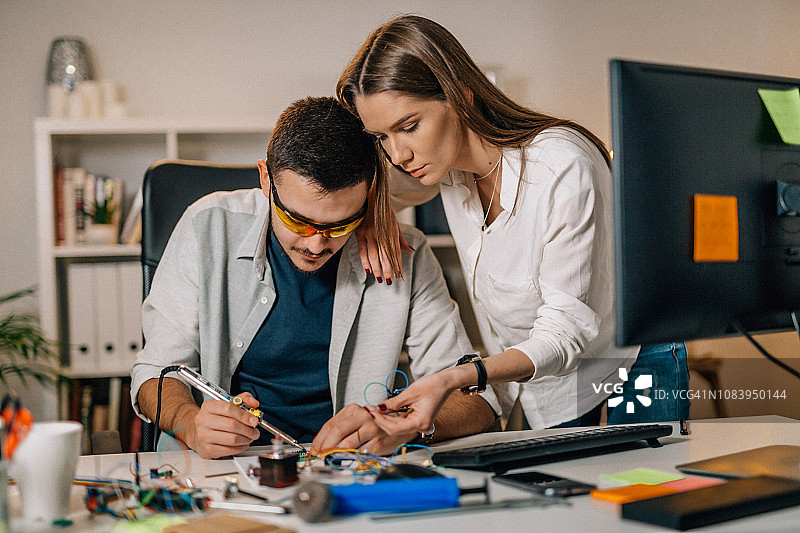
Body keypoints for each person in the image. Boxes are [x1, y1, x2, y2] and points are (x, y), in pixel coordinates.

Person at [336, 15, 690, 435]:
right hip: (546, 377)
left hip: (632, 359)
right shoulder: (440, 168)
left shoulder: (561, 166)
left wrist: (454, 377)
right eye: (381, 137)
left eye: (408, 127)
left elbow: (564, 331)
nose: (397, 155)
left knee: (643, 491)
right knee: (567, 494)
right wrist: (370, 216)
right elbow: (357, 189)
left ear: (460, 95)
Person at [131, 96, 498, 459]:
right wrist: (190, 422)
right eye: (297, 220)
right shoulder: (207, 227)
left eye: (341, 224)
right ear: (265, 179)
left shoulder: (403, 255)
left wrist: (401, 423)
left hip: (346, 469)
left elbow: (478, 402)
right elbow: (155, 373)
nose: (316, 244)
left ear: (368, 197)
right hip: (219, 467)